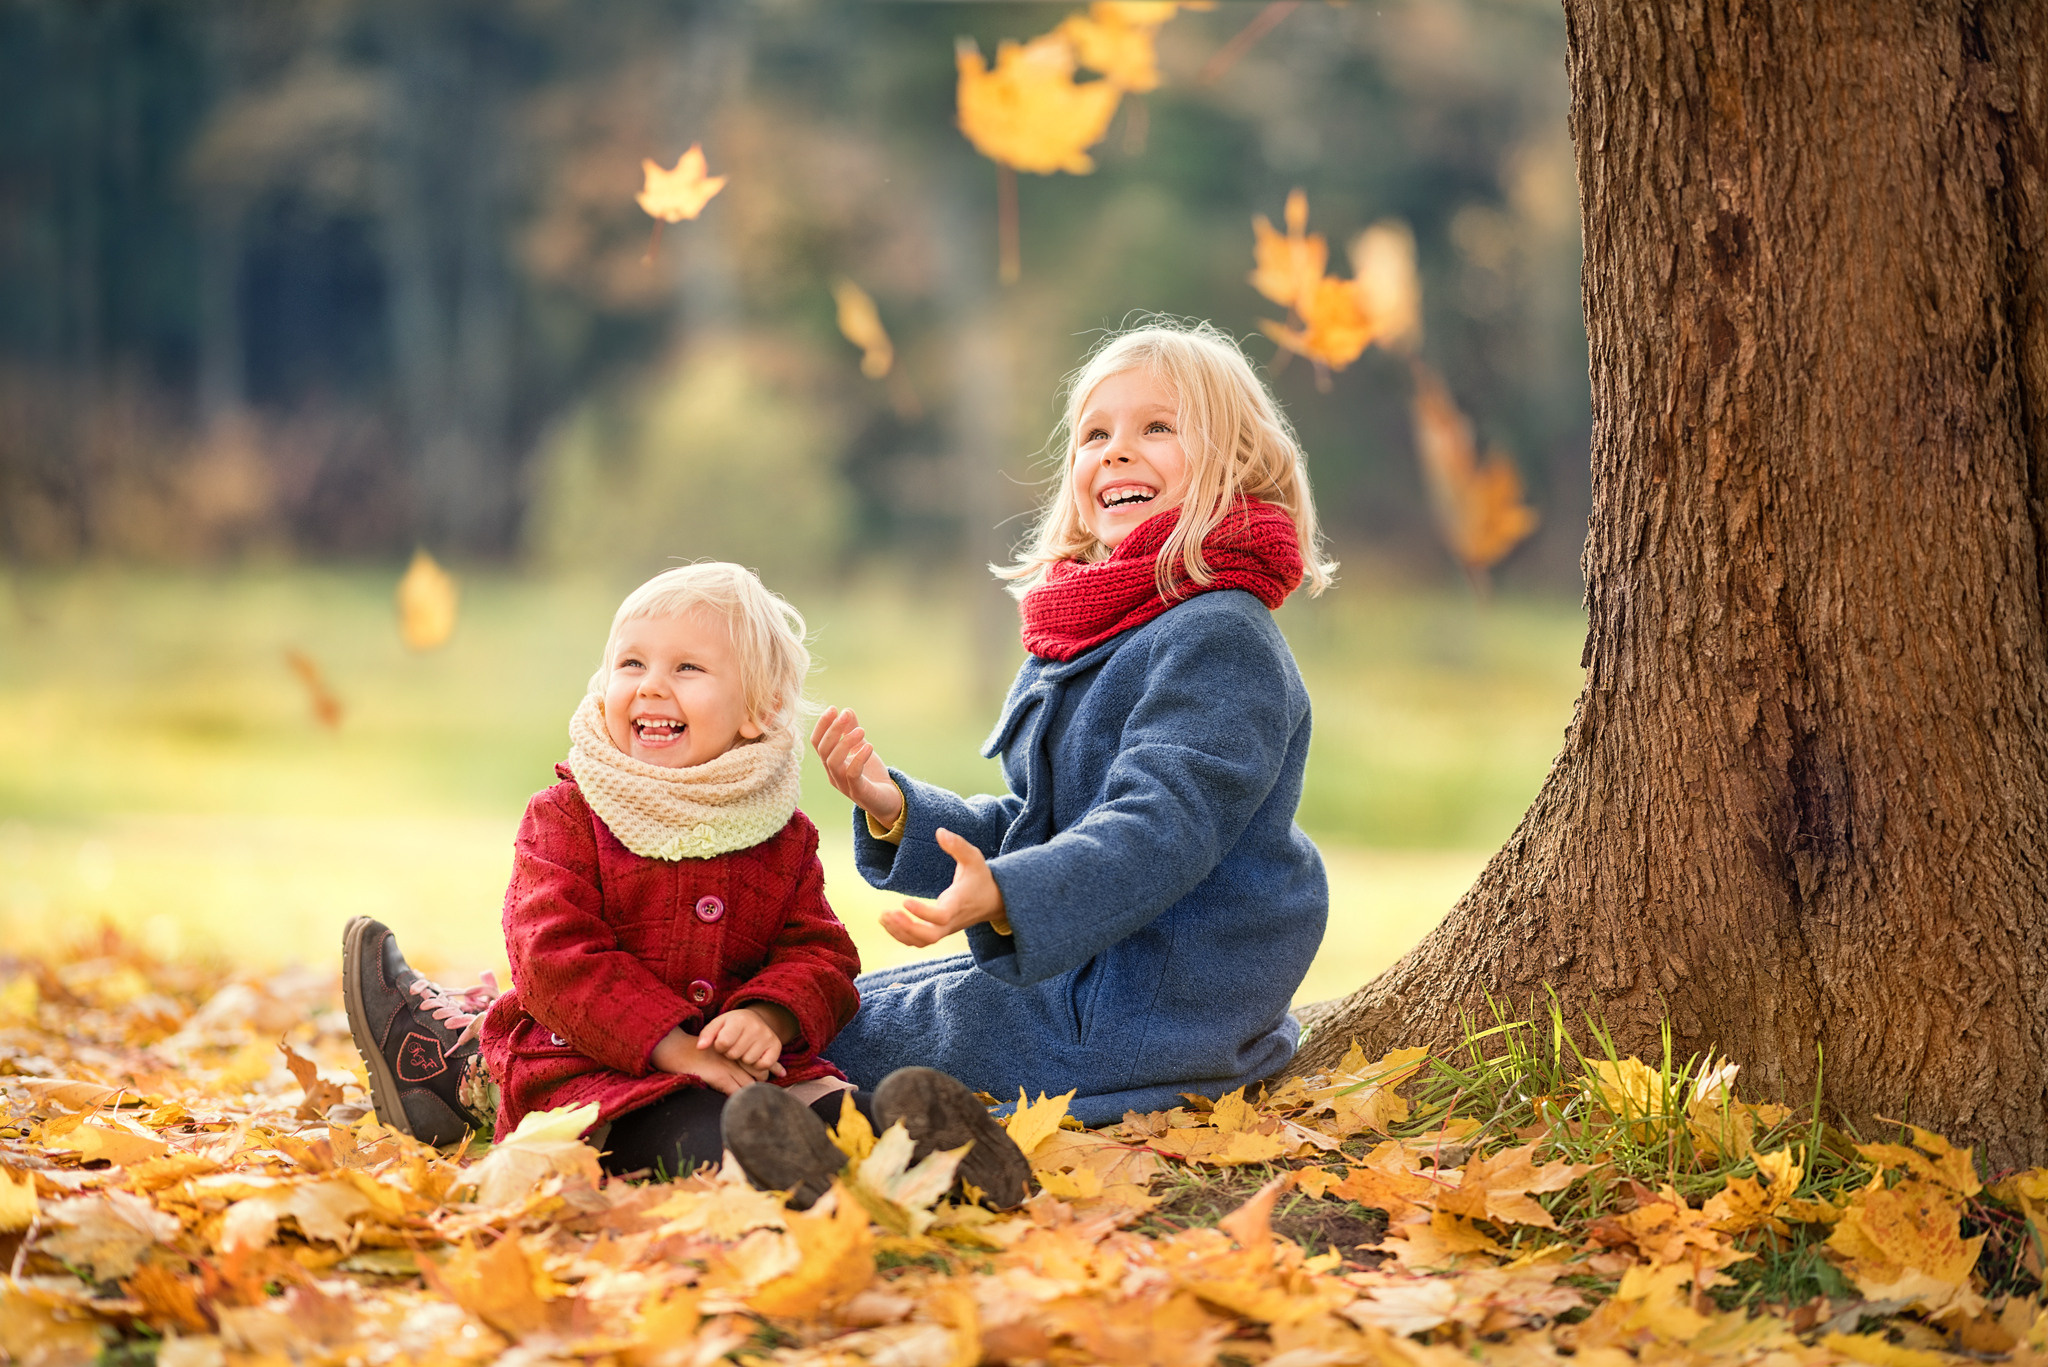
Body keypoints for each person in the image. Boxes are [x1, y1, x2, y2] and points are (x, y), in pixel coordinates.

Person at [342, 563, 1029, 1207]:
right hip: (599, 1075)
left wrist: (771, 1015)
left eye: (688, 667)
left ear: (757, 709)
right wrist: (673, 1046)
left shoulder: (778, 833)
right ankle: (782, 1172)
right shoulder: (568, 817)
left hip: (748, 1072)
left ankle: (924, 1149)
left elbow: (822, 955)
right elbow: (553, 958)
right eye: (630, 663)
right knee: (700, 1123)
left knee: (818, 1102)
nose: (651, 685)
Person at [811, 320, 1335, 1127]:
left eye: (1157, 427)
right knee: (822, 1005)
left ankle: (782, 1133)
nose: (1116, 453)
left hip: (1152, 1014)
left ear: (1238, 465)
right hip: (1088, 978)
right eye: (1096, 434)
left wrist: (1007, 892)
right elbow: (1041, 827)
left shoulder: (1220, 635)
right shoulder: (1099, 632)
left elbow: (1158, 828)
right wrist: (897, 810)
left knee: (824, 1038)